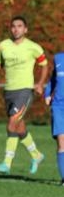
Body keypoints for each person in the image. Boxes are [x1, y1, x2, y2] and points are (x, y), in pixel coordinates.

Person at [0, 15, 48, 174]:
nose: (16, 29)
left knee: (12, 123)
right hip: (9, 91)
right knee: (18, 126)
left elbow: (44, 65)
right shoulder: (3, 45)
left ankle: (7, 162)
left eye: (20, 26)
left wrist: (40, 84)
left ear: (25, 29)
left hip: (25, 90)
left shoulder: (33, 47)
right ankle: (36, 154)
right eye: (13, 26)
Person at [44, 52, 64, 185]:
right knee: (61, 144)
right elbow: (53, 78)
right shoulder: (58, 58)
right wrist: (47, 93)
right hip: (58, 106)